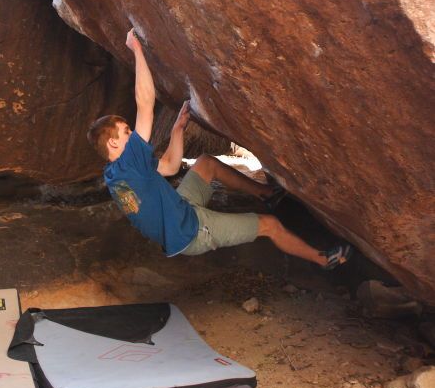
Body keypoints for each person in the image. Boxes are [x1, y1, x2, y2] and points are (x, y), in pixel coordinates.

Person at [87, 28, 352, 269]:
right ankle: (323, 259)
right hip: (194, 231)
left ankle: (266, 193)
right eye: (126, 132)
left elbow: (168, 167)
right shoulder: (129, 162)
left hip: (183, 210)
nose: (132, 134)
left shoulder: (116, 175)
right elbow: (145, 102)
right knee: (269, 226)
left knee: (206, 163)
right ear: (113, 143)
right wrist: (136, 49)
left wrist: (177, 130)